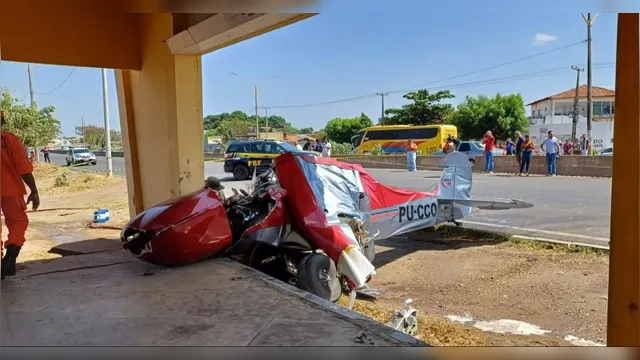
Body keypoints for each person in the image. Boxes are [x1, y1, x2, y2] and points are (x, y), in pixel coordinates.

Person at [1, 110, 40, 280]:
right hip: (10, 190)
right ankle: (10, 256)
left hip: (11, 190)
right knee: (17, 222)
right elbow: (23, 168)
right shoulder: (9, 140)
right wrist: (34, 190)